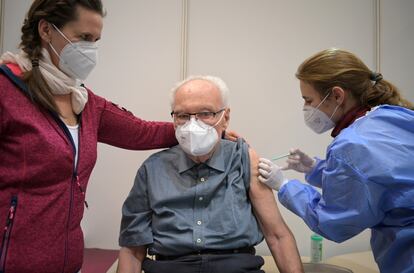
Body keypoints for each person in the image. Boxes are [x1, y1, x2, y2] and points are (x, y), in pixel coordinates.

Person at [0, 1, 180, 273]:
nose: (90, 50)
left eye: (95, 40)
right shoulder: (7, 91)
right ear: (46, 30)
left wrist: (202, 128)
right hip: (13, 262)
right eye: (84, 38)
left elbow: (142, 132)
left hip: (70, 262)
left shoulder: (84, 101)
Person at [117, 76, 303, 273]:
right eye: (182, 116)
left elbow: (277, 235)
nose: (193, 125)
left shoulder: (243, 159)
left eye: (205, 114)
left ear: (226, 118)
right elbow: (132, 248)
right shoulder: (153, 169)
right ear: (173, 119)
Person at [258, 48, 414, 273]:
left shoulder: (352, 144)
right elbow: (378, 179)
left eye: (309, 100)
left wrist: (284, 185)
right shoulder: (394, 115)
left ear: (337, 95)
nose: (306, 108)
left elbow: (334, 222)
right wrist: (315, 168)